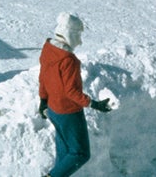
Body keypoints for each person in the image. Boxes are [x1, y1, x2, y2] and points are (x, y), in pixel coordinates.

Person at [39, 12, 110, 177]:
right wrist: (94, 104)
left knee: (64, 151)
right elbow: (71, 91)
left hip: (53, 108)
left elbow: (43, 77)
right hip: (68, 111)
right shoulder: (68, 60)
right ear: (69, 33)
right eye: (78, 34)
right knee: (80, 153)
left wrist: (43, 100)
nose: (80, 41)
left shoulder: (48, 49)